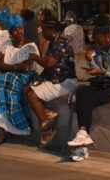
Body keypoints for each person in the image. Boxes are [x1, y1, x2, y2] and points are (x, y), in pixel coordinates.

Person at [67, 25, 110, 162]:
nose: (97, 44)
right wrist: (90, 61)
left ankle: (82, 143)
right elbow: (98, 69)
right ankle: (83, 135)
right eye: (95, 41)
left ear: (108, 37)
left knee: (89, 101)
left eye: (99, 40)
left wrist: (103, 72)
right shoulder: (97, 50)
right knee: (81, 91)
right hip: (103, 82)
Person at [0, 14, 39, 146]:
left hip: (25, 78)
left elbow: (27, 67)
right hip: (9, 77)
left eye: (20, 28)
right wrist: (16, 66)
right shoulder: (6, 45)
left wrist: (11, 67)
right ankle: (1, 130)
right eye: (15, 29)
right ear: (10, 33)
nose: (19, 32)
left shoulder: (30, 45)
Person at [24, 19, 79, 147]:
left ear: (51, 30)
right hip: (55, 80)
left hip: (65, 82)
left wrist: (34, 57)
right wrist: (37, 80)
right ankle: (47, 115)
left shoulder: (61, 42)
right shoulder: (53, 42)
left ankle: (46, 128)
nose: (42, 34)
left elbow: (49, 63)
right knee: (27, 89)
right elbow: (48, 68)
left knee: (33, 95)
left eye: (43, 30)